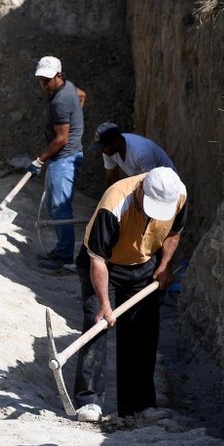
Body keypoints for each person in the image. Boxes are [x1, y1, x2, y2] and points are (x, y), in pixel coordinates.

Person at [73, 167, 187, 422]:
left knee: (142, 331)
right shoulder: (113, 203)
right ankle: (88, 402)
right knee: (97, 325)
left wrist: (164, 266)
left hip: (143, 263)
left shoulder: (178, 195)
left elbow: (174, 232)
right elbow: (98, 260)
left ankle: (139, 406)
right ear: (140, 189)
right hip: (105, 265)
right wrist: (104, 303)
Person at [28, 56, 86, 271]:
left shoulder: (61, 101)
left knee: (61, 210)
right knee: (55, 206)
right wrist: (78, 117)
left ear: (59, 76)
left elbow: (61, 138)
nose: (44, 84)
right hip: (63, 158)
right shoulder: (68, 88)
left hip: (64, 159)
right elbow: (82, 95)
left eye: (47, 79)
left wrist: (39, 160)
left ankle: (64, 258)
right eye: (41, 79)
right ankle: (62, 250)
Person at [89, 122, 177, 187]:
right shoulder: (108, 151)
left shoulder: (141, 153)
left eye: (103, 146)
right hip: (145, 181)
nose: (101, 150)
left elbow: (152, 185)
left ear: (116, 142)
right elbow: (112, 180)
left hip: (167, 184)